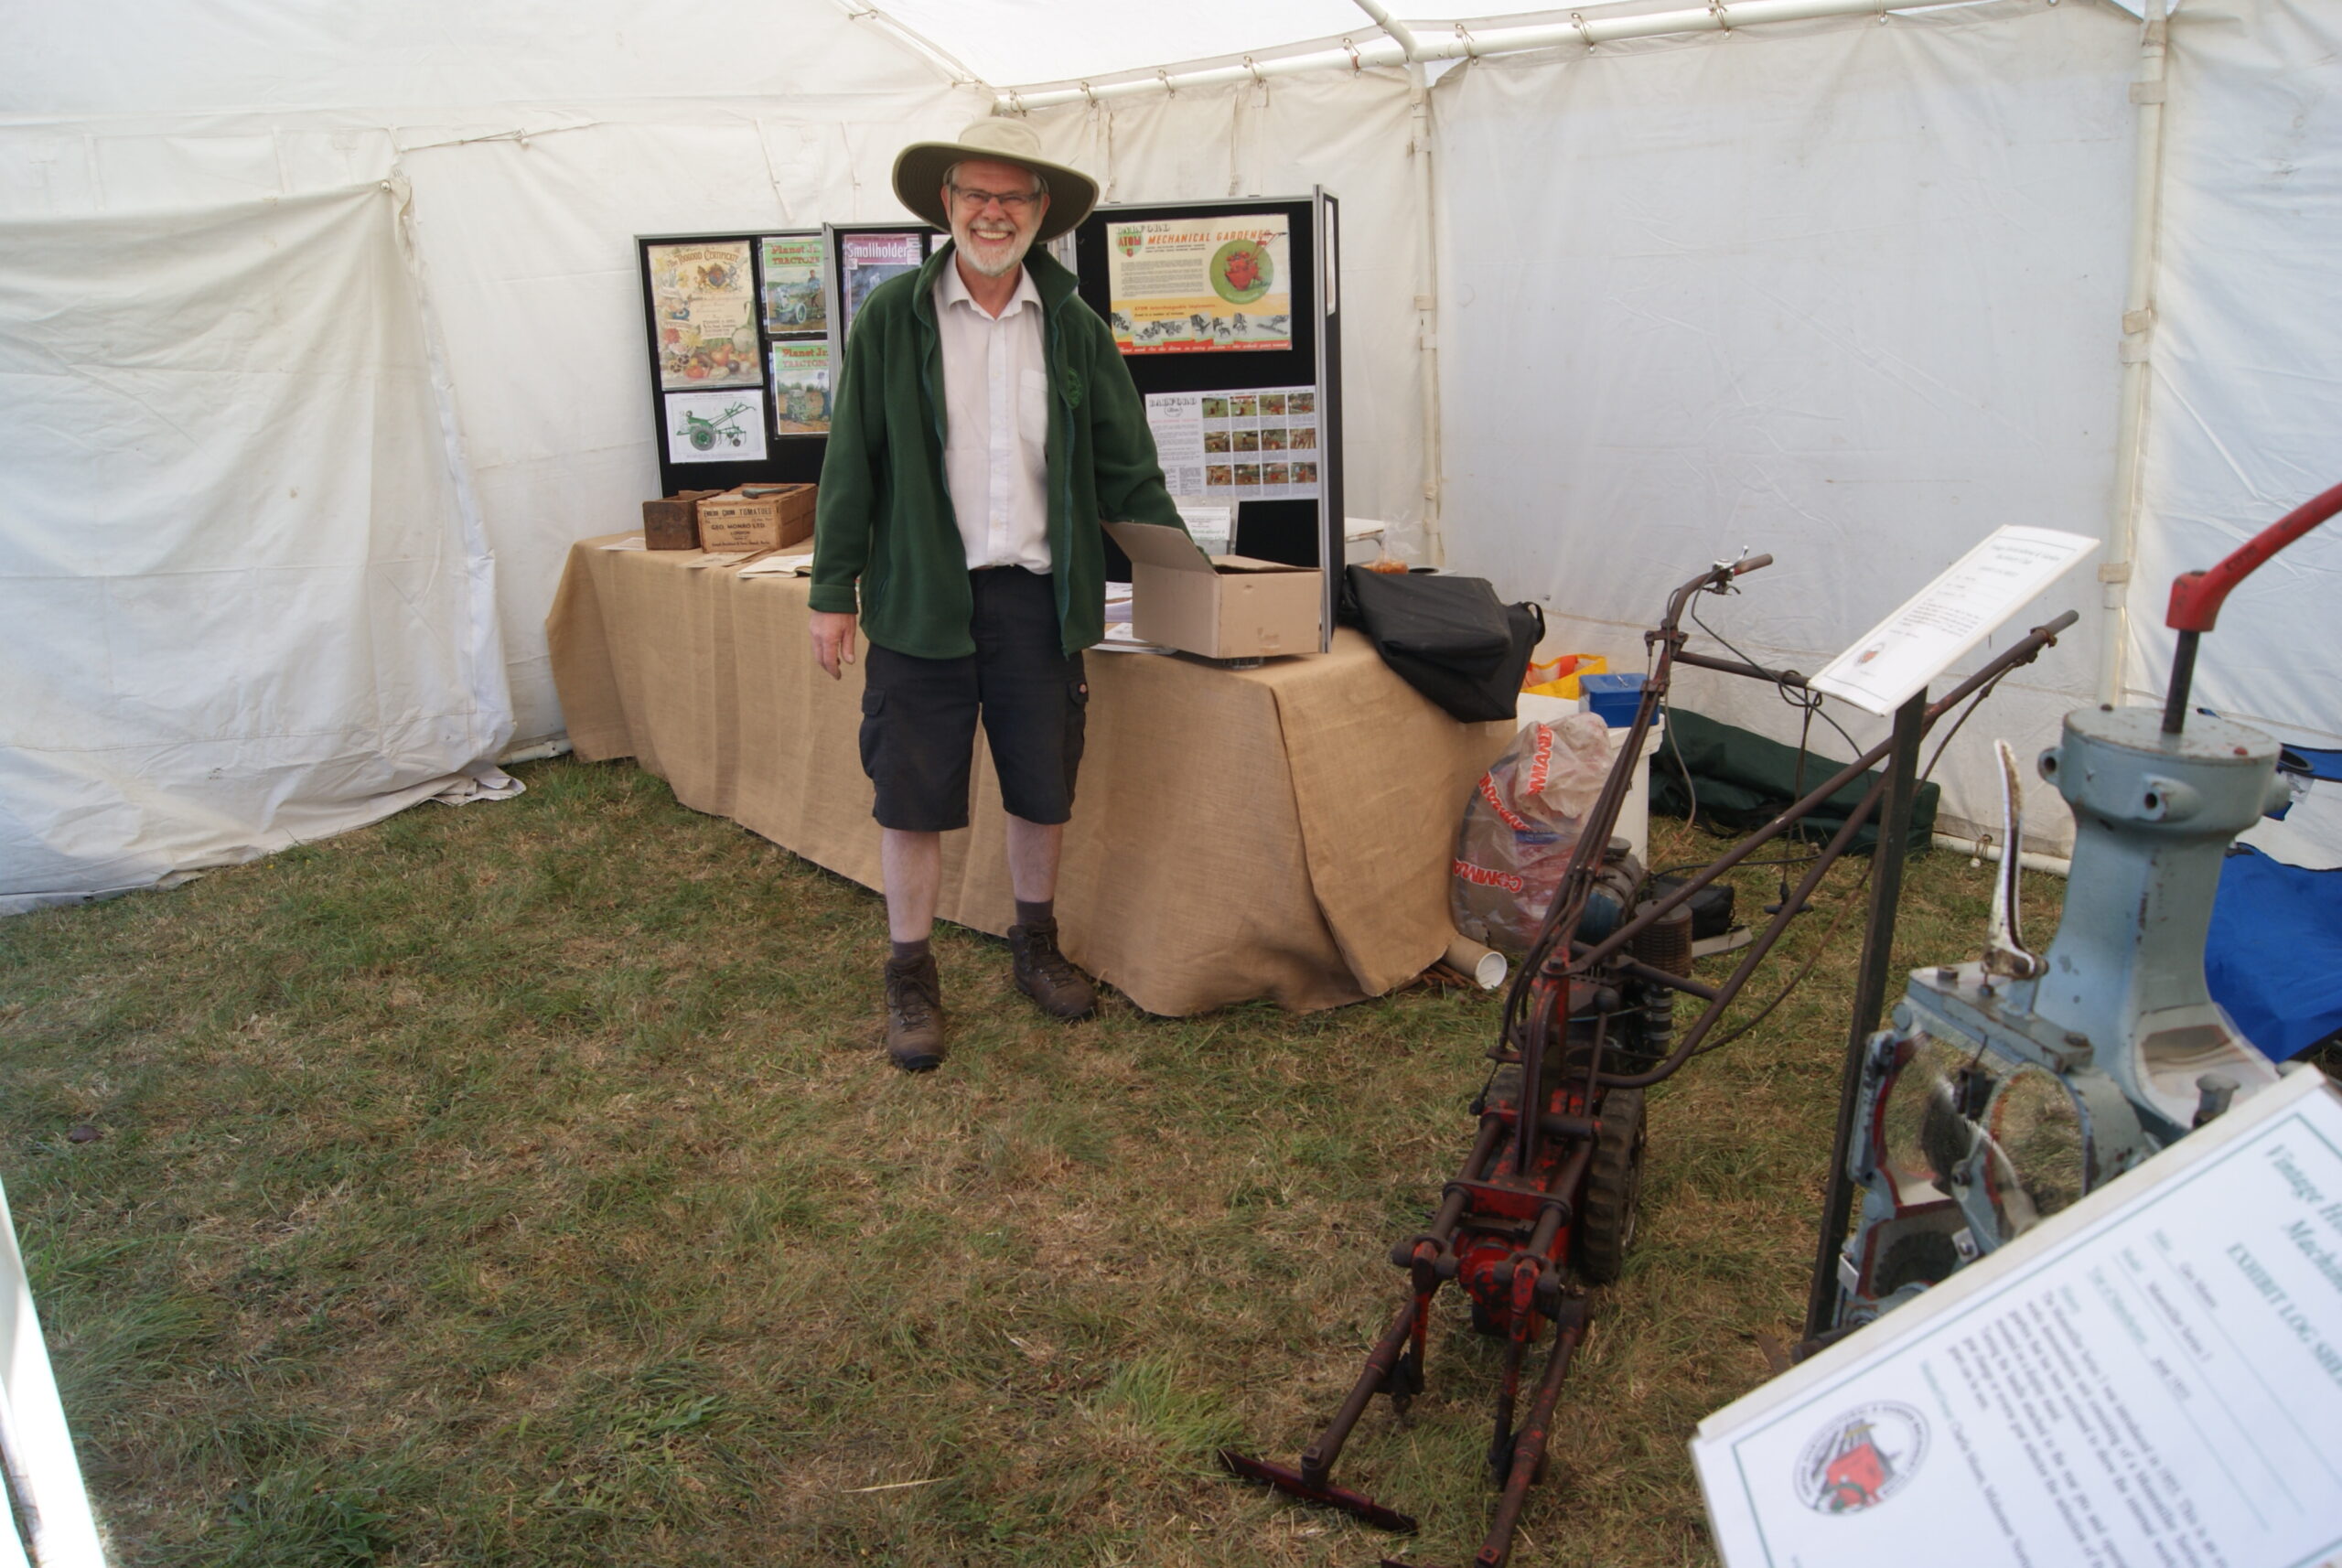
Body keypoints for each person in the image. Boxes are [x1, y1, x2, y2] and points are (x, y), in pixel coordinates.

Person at [808, 119, 1187, 1072]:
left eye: (1012, 196)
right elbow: (851, 460)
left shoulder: (1074, 328)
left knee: (1041, 784)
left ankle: (1034, 944)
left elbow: (1128, 468)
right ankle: (910, 971)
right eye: (975, 193)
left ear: (1040, 212)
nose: (992, 212)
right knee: (910, 796)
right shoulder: (891, 317)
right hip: (919, 598)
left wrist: (1186, 575)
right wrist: (831, 587)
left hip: (1037, 599)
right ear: (946, 204)